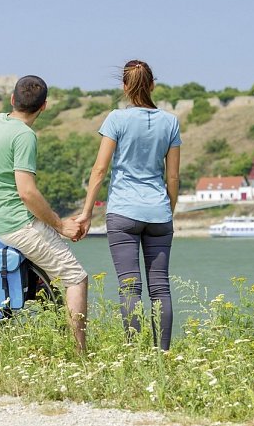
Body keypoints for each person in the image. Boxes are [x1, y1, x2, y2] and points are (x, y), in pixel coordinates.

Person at [0, 75, 88, 352]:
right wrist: (61, 225)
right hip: (15, 224)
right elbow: (27, 193)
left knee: (48, 277)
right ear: (44, 106)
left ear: (12, 99)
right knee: (76, 278)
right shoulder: (24, 136)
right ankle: (80, 355)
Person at [76, 60, 181, 350]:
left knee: (130, 287)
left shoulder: (116, 119)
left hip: (122, 211)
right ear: (152, 85)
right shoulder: (170, 122)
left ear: (124, 87)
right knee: (160, 287)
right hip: (159, 213)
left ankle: (134, 355)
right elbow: (173, 175)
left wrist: (86, 214)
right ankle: (162, 354)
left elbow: (99, 170)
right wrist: (168, 209)